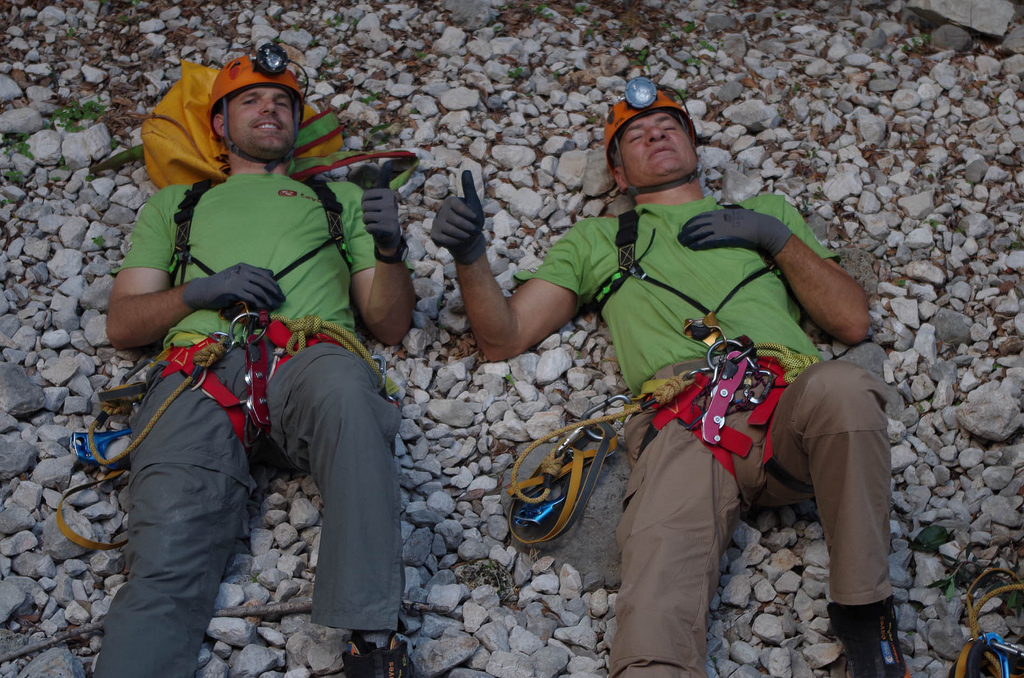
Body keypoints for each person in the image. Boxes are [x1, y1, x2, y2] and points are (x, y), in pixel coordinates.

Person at [430, 77, 908, 678]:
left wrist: (775, 239)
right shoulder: (598, 239)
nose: (654, 133)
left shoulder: (766, 214)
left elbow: (851, 319)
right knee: (658, 583)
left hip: (789, 407)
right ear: (619, 174)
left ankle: (865, 612)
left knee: (844, 385)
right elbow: (503, 338)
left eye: (668, 126)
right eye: (635, 134)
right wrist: (471, 255)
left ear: (693, 148)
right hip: (688, 421)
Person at [98, 47, 415, 678]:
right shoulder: (177, 205)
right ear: (219, 123)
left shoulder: (338, 200)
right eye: (250, 100)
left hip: (311, 357)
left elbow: (390, 322)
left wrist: (388, 250)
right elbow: (123, 323)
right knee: (168, 540)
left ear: (297, 124)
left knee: (354, 403)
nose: (268, 110)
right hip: (200, 369)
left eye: (282, 102)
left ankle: (372, 642)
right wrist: (195, 293)